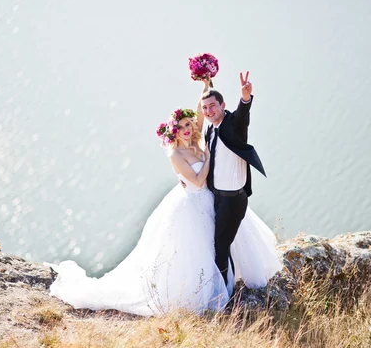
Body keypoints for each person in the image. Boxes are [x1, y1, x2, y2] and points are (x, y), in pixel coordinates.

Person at [46, 74, 281, 316]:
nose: (187, 129)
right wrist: (209, 158)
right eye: (181, 128)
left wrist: (210, 88)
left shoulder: (202, 135)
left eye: (188, 125)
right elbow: (199, 179)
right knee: (203, 250)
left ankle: (226, 285)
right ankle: (213, 292)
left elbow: (209, 116)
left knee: (221, 244)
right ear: (174, 132)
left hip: (215, 200)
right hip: (193, 204)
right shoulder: (176, 154)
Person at [201, 71, 267, 290]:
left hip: (233, 199)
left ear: (222, 105)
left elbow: (242, 116)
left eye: (213, 106)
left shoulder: (232, 124)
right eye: (205, 108)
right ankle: (226, 283)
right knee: (221, 244)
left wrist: (246, 99)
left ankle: (222, 292)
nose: (209, 111)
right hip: (216, 197)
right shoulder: (210, 130)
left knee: (220, 245)